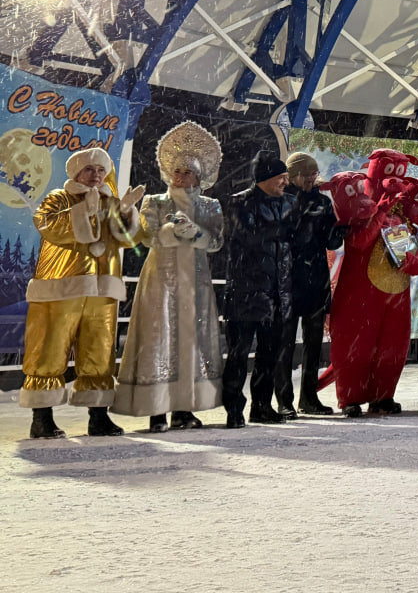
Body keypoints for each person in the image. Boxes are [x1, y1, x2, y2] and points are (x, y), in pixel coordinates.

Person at [21, 147, 143, 439]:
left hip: (102, 289)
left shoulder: (110, 202)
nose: (96, 175)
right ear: (76, 172)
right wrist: (84, 210)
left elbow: (129, 240)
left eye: (101, 170)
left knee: (99, 351)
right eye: (89, 169)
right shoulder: (58, 198)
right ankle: (42, 418)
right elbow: (48, 225)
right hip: (61, 288)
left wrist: (126, 211)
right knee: (49, 349)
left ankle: (98, 416)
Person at [113, 122, 224, 432]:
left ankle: (184, 409)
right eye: (177, 171)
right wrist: (170, 231)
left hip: (195, 282)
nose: (181, 176)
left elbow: (216, 242)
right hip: (161, 279)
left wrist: (196, 233)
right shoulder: (155, 202)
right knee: (158, 338)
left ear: (199, 177)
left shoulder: (210, 205)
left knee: (191, 340)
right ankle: (156, 409)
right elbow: (146, 237)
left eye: (188, 172)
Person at [316, 150, 418, 417]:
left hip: (395, 293)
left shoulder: (399, 217)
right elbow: (359, 242)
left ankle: (383, 395)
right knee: (356, 344)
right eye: (389, 172)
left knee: (393, 345)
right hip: (360, 293)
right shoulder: (359, 207)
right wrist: (382, 209)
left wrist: (412, 261)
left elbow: (415, 261)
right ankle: (351, 396)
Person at [222, 150, 296, 428]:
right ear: (265, 178)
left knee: (270, 354)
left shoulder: (290, 202)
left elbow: (298, 240)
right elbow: (247, 237)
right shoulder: (241, 202)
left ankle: (262, 406)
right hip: (246, 291)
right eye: (281, 177)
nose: (285, 182)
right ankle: (233, 408)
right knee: (239, 354)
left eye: (287, 177)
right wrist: (283, 228)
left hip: (278, 291)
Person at [276, 151, 347, 418]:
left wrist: (338, 229)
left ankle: (309, 397)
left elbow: (331, 243)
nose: (310, 179)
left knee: (314, 343)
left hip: (316, 277)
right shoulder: (282, 200)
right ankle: (284, 400)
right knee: (284, 343)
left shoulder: (322, 201)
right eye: (305, 175)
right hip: (288, 278)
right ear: (292, 175)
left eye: (313, 174)